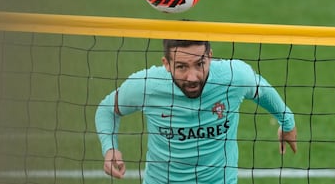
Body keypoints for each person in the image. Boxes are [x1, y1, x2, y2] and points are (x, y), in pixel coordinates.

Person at [95, 39, 297, 184]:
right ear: (166, 64)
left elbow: (262, 90)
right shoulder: (148, 85)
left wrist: (287, 123)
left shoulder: (233, 76)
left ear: (210, 56)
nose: (192, 77)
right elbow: (107, 110)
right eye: (182, 67)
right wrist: (110, 147)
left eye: (200, 64)